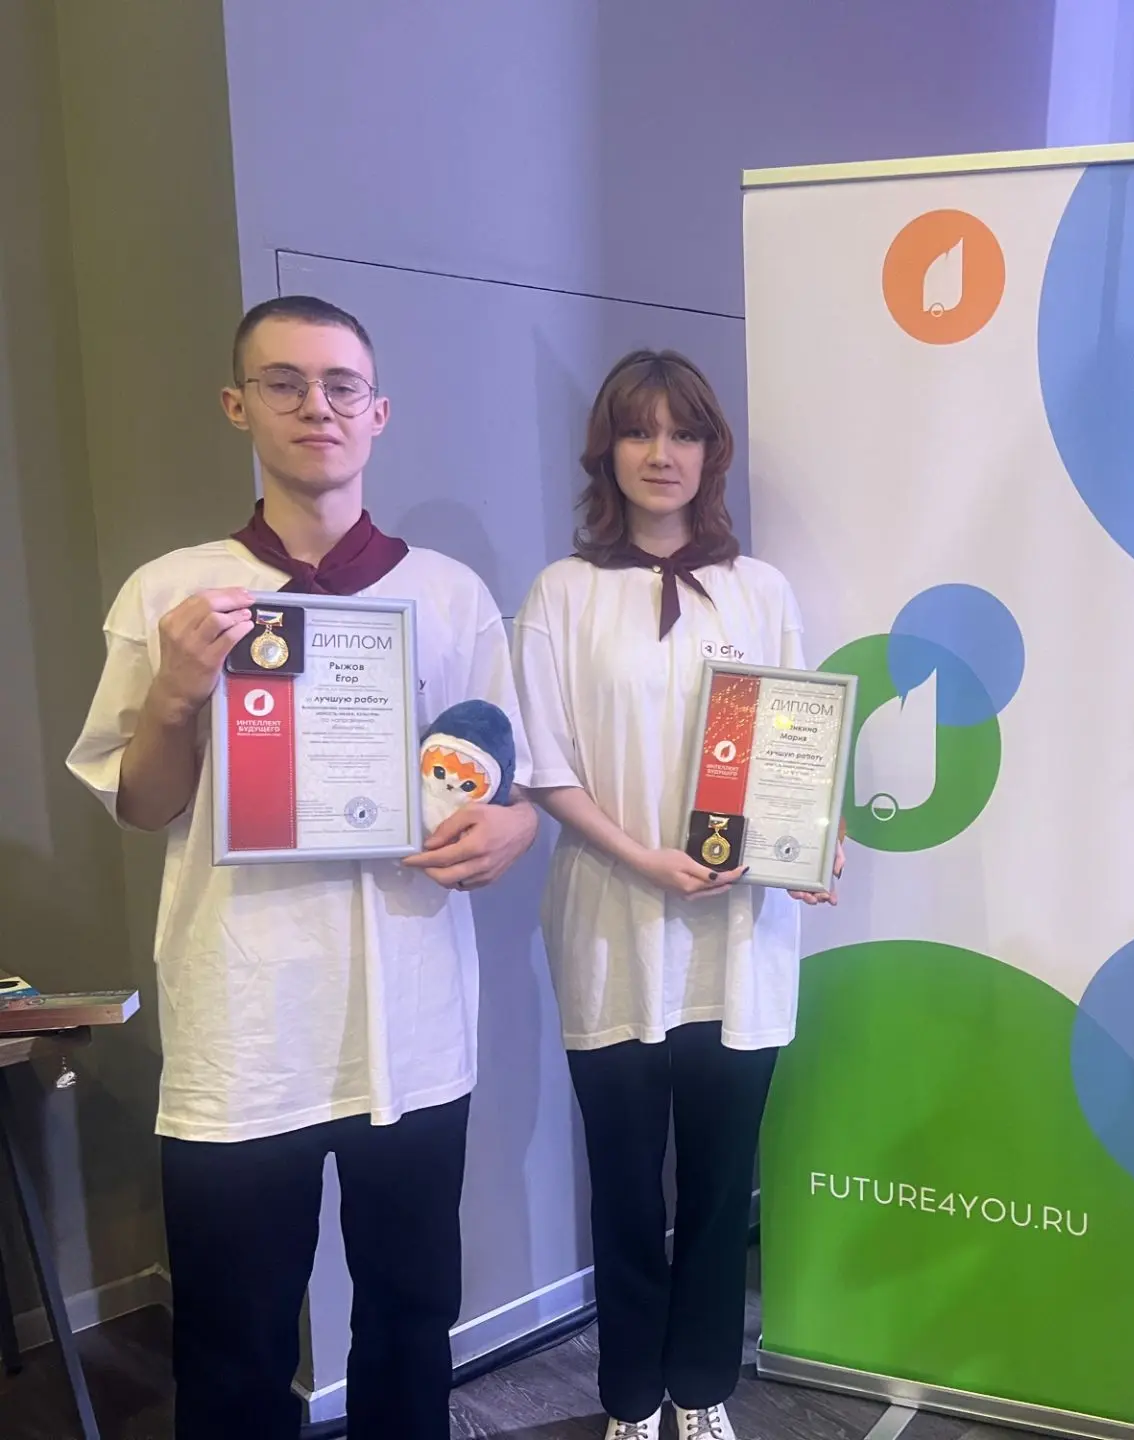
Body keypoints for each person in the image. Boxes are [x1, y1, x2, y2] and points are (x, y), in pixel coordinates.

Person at [67, 296, 540, 1439]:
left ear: (378, 412)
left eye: (340, 385)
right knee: (234, 1344)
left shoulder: (449, 594)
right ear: (238, 406)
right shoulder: (174, 592)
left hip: (410, 1025)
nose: (314, 406)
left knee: (411, 1320)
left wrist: (515, 829)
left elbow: (505, 780)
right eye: (283, 383)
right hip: (244, 1030)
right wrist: (175, 694)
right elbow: (143, 806)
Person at [512, 349, 841, 1440]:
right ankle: (629, 1398)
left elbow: (797, 746)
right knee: (622, 1186)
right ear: (607, 451)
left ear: (712, 453)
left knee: (718, 1184)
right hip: (613, 929)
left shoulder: (761, 590)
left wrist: (812, 840)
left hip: (738, 939)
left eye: (685, 432)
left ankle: (700, 1391)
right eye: (640, 431)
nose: (663, 453)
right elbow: (547, 766)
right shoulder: (561, 593)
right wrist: (645, 858)